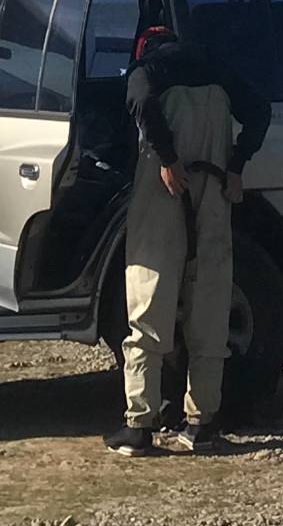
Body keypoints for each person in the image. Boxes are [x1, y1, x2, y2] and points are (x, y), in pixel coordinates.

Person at [107, 26, 271, 456]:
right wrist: (236, 164)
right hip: (214, 189)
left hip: (164, 190)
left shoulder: (146, 70)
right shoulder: (216, 68)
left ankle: (140, 425)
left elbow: (141, 103)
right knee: (211, 298)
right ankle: (201, 423)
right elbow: (259, 110)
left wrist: (166, 156)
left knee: (149, 298)